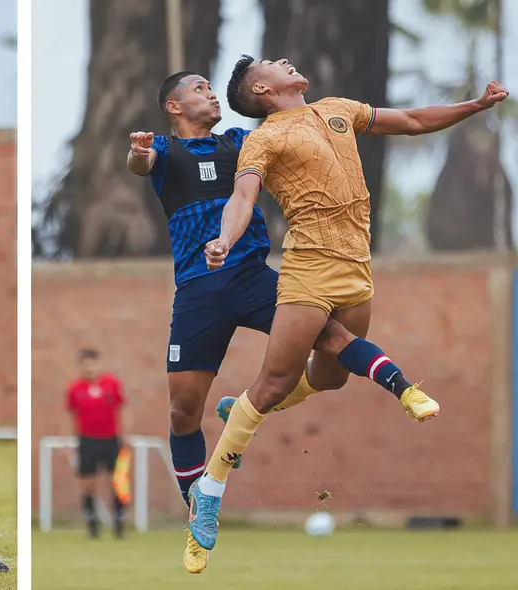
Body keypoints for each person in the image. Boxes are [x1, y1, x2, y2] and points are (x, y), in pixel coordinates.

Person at [189, 54, 509, 555]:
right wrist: (224, 240)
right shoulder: (264, 137)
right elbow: (242, 197)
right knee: (273, 383)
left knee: (332, 375)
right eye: (274, 64)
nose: (287, 61)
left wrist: (476, 104)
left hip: (356, 266)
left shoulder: (338, 108)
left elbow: (412, 121)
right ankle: (209, 489)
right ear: (263, 91)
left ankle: (242, 409)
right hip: (308, 270)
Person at [126, 70, 441, 574]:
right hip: (198, 291)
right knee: (184, 412)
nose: (210, 94)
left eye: (213, 87)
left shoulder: (242, 142)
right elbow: (140, 165)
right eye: (199, 89)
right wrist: (139, 155)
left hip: (255, 276)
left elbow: (293, 139)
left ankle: (404, 387)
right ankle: (197, 505)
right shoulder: (164, 150)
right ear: (173, 107)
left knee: (334, 338)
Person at [65, 349, 127, 539]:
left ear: (98, 364)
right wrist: (69, 440)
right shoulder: (75, 388)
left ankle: (119, 524)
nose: (89, 367)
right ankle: (92, 526)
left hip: (110, 439)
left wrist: (125, 436)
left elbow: (122, 409)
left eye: (92, 363)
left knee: (116, 482)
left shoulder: (111, 384)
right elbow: (69, 415)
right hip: (87, 441)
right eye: (85, 364)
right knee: (88, 484)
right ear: (81, 366)